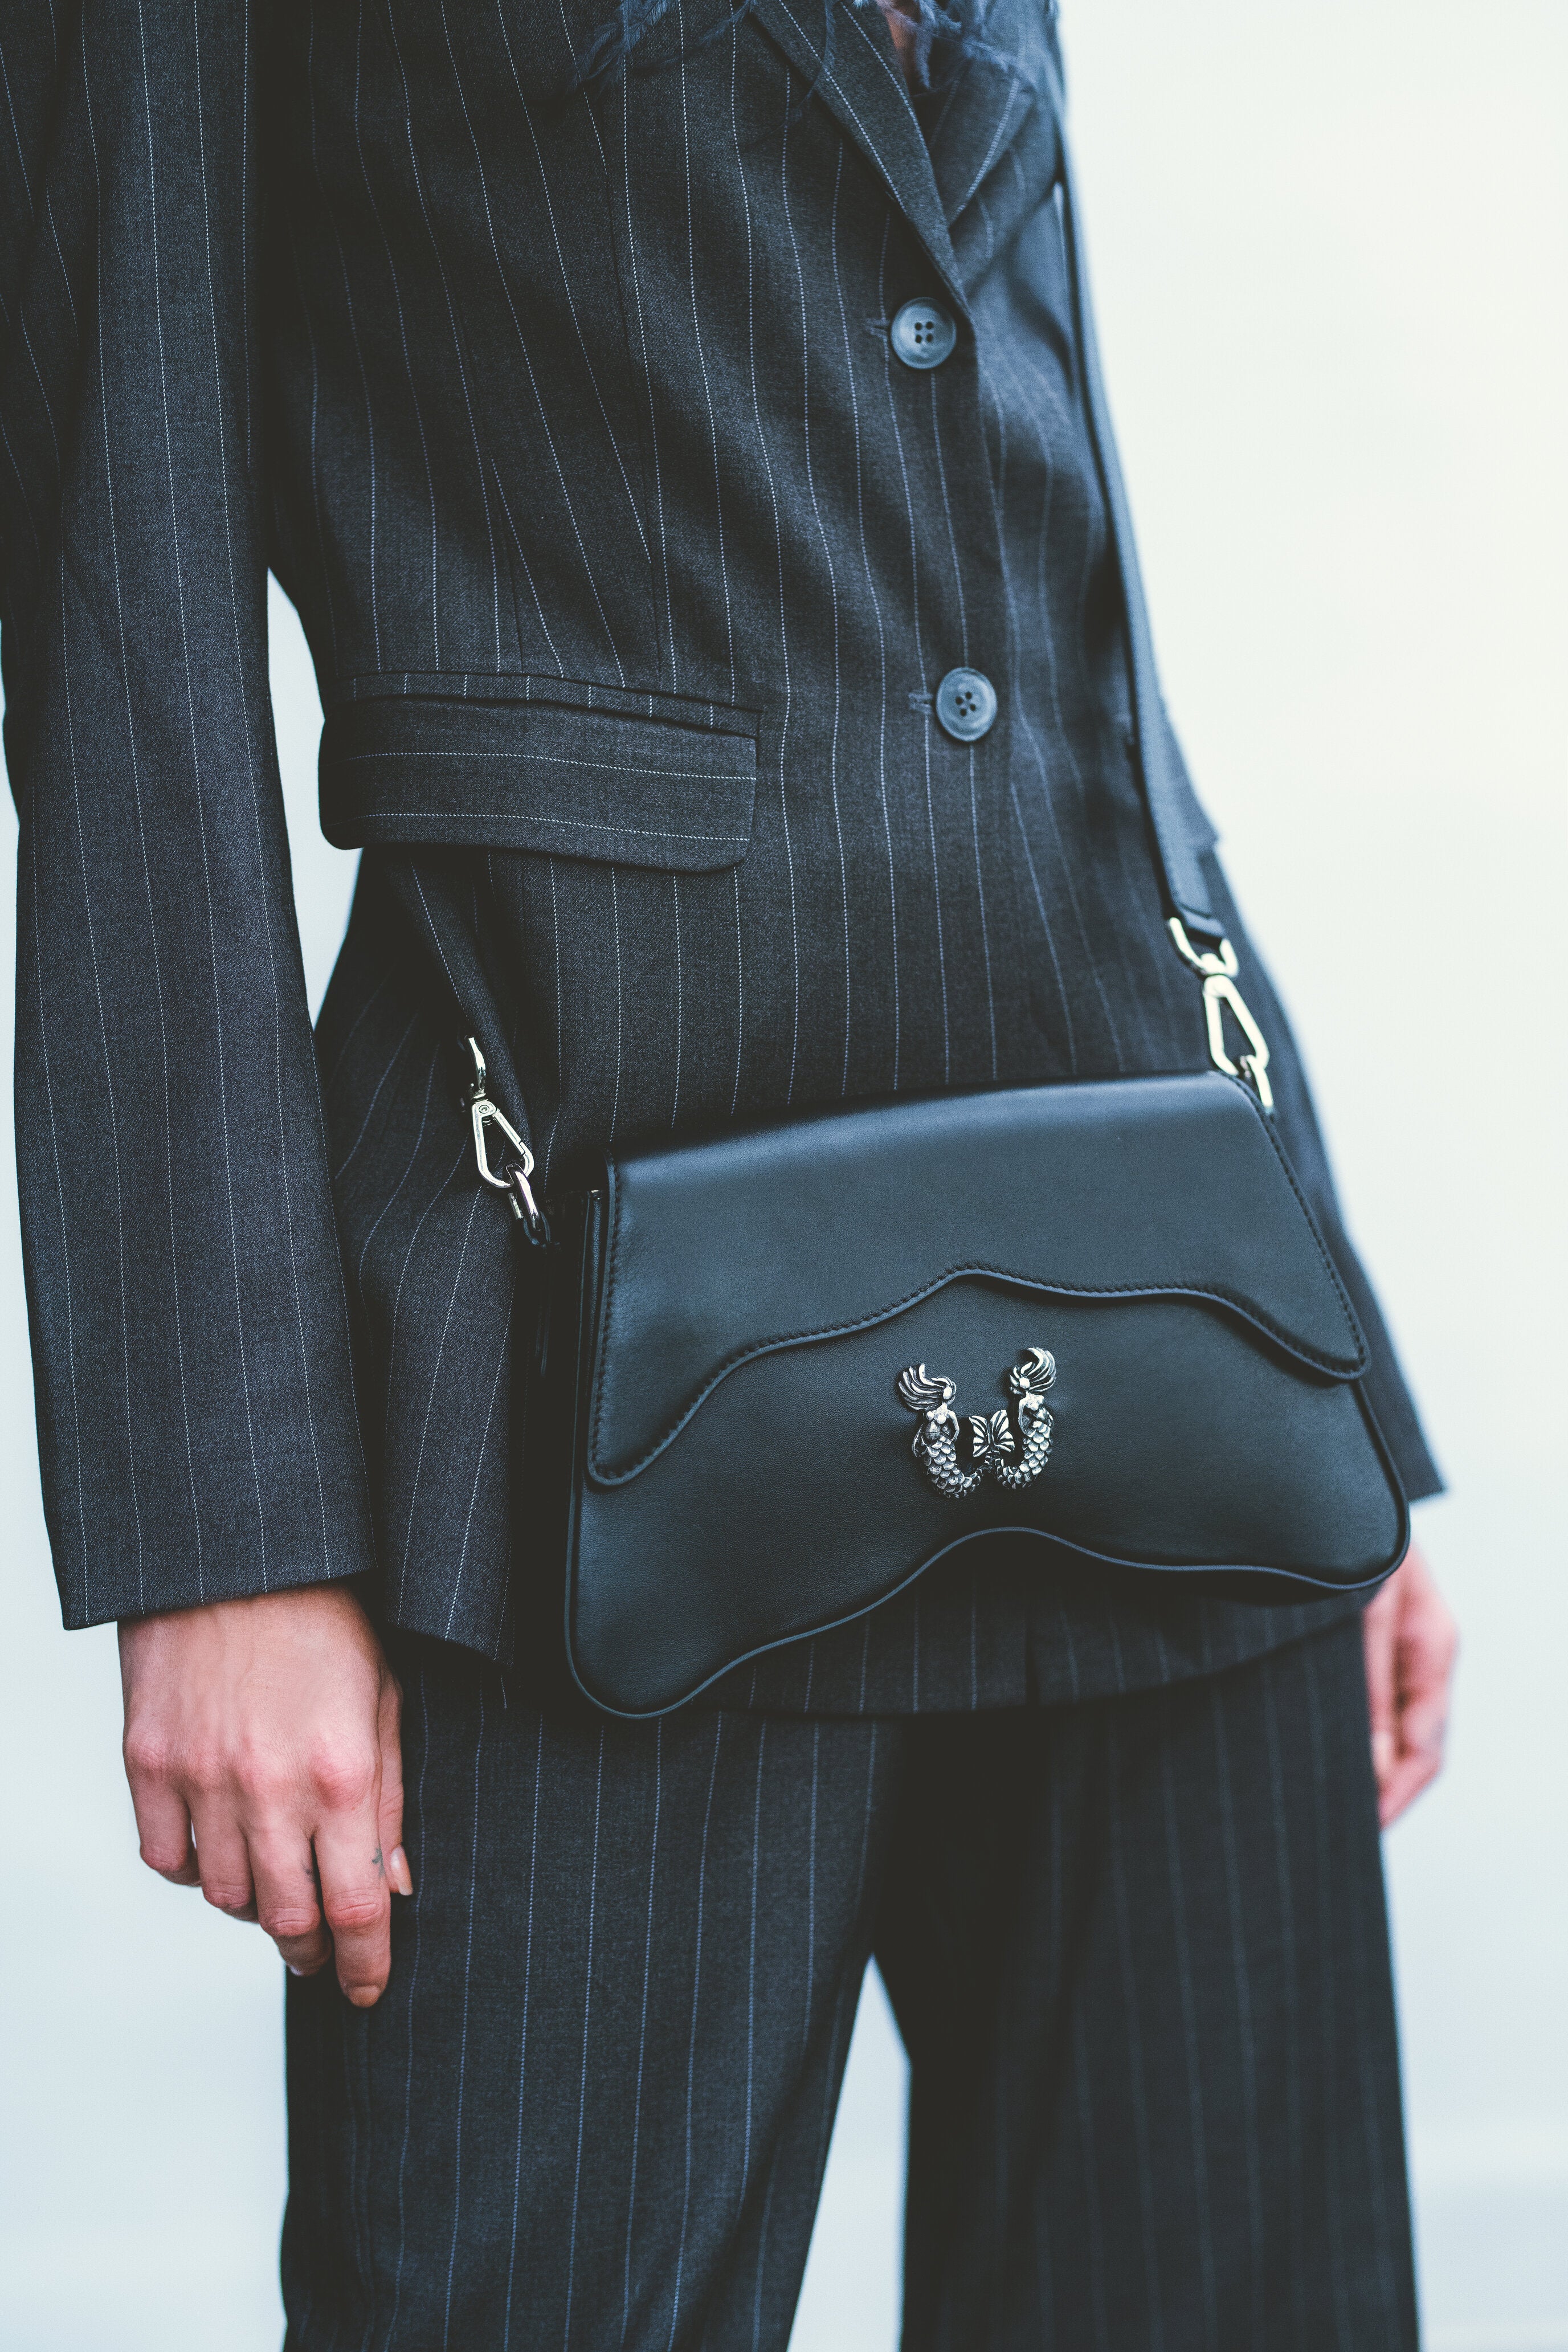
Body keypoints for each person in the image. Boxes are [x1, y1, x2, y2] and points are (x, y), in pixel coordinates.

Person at [2, 0, 1456, 2342]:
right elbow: (121, 646)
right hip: (562, 1360)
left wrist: (1324, 1365)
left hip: (1159, 1356)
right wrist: (222, 1538)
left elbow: (1062, 615)